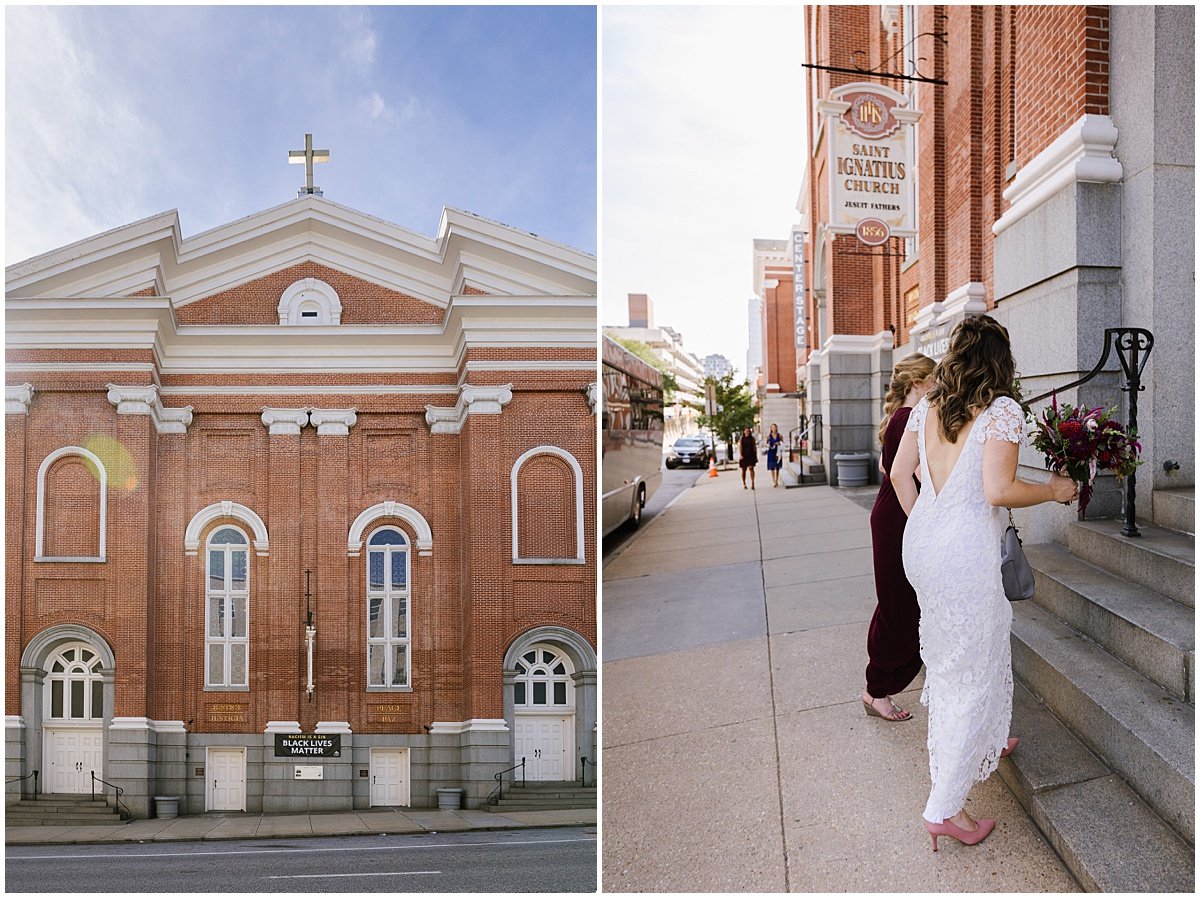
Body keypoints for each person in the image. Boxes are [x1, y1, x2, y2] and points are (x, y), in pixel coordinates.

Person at [890, 315, 1076, 851]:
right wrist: (1054, 491)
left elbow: (901, 475)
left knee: (963, 652)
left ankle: (988, 742)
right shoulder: (1001, 411)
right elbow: (998, 490)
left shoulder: (925, 407)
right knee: (968, 669)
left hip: (922, 545)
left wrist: (930, 520)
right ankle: (944, 808)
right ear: (1001, 358)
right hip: (964, 553)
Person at [862, 353, 936, 722]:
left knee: (895, 603)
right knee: (899, 608)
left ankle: (878, 687)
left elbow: (884, 464)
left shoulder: (898, 418)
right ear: (918, 383)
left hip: (889, 515)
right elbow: (910, 472)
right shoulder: (911, 418)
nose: (939, 385)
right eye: (934, 379)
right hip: (899, 519)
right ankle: (876, 690)